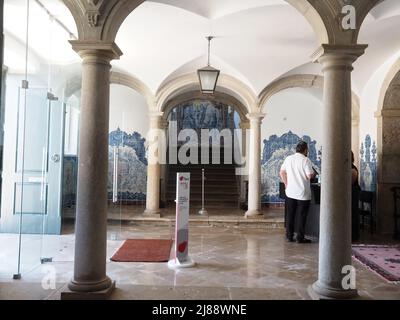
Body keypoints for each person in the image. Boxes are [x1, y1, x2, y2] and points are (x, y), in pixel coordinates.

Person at [280, 141, 316, 243]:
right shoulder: (305, 160)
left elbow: (282, 172)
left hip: (290, 192)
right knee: (302, 215)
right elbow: (309, 175)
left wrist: (286, 184)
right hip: (303, 193)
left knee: (290, 214)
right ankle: (300, 237)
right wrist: (313, 174)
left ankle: (289, 236)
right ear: (305, 150)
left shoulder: (288, 159)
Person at [351, 151, 361, 242]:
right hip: (350, 195)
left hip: (353, 194)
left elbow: (350, 182)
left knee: (353, 214)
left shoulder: (353, 169)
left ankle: (354, 236)